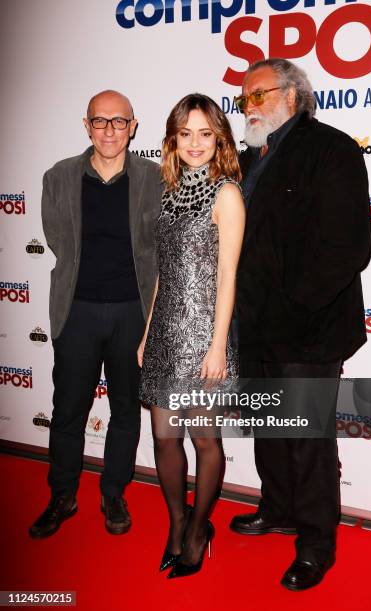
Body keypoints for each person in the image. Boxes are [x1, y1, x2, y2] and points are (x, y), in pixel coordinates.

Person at [230, 59, 371, 591]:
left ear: (292, 94)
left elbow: (348, 247)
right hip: (256, 323)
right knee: (270, 429)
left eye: (258, 95)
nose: (249, 106)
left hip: (308, 328)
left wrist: (292, 307)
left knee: (308, 439)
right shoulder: (248, 160)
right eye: (244, 99)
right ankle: (278, 508)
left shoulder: (331, 150)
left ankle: (316, 541)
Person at [29, 90, 162, 539]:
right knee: (68, 410)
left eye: (118, 122)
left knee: (126, 409)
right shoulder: (60, 176)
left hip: (134, 312)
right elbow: (58, 240)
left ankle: (113, 492)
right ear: (86, 126)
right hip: (77, 311)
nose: (109, 130)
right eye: (100, 122)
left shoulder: (156, 178)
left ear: (134, 126)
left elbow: (158, 248)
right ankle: (62, 495)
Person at [138, 94, 245, 578]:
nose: (196, 143)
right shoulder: (169, 190)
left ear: (218, 138)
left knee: (204, 440)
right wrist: (147, 333)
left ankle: (200, 530)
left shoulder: (227, 193)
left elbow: (228, 275)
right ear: (173, 140)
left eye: (205, 133)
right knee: (164, 438)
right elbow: (163, 272)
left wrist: (218, 344)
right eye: (186, 134)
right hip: (165, 332)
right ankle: (176, 523)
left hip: (205, 334)